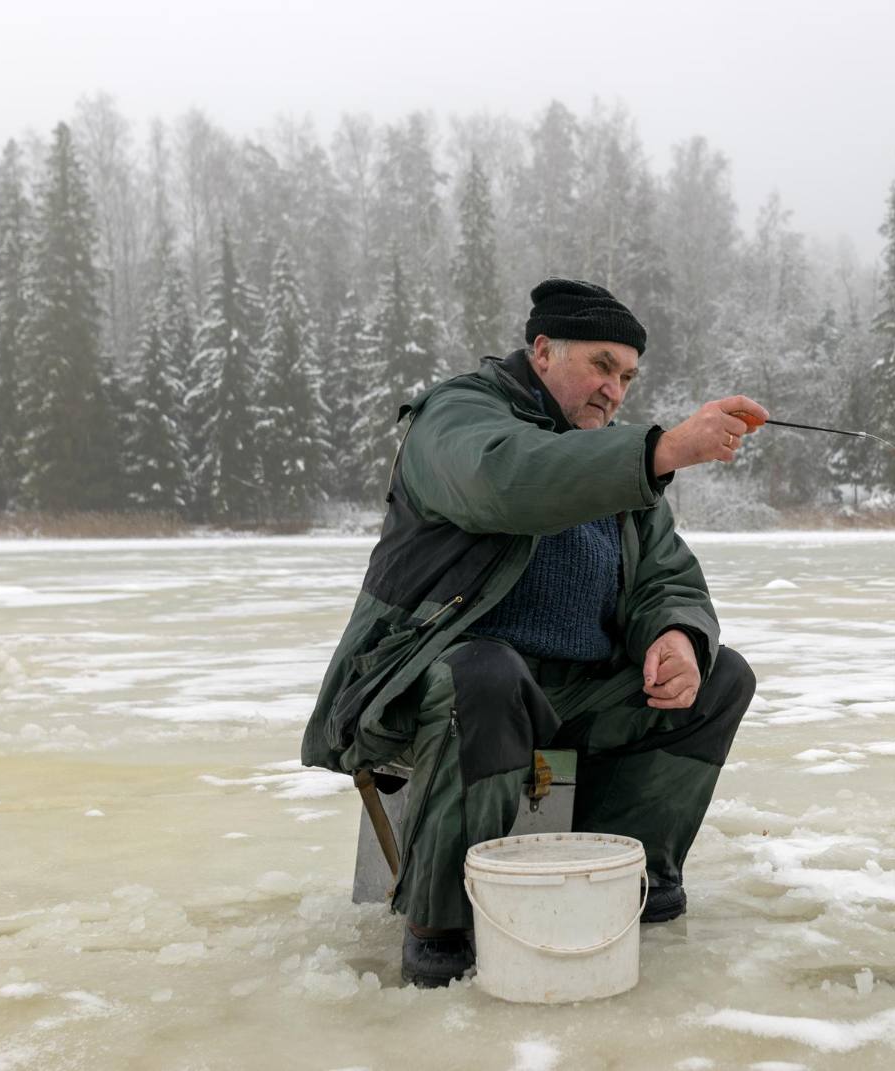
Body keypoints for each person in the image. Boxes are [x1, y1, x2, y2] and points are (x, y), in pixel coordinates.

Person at [300, 278, 768, 987]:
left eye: (628, 377)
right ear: (543, 350)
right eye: (602, 366)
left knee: (721, 677)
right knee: (485, 674)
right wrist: (661, 451)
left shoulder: (614, 458)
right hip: (424, 683)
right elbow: (509, 482)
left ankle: (626, 873)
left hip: (570, 695)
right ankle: (442, 923)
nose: (615, 390)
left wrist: (675, 635)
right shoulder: (456, 417)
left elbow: (667, 576)